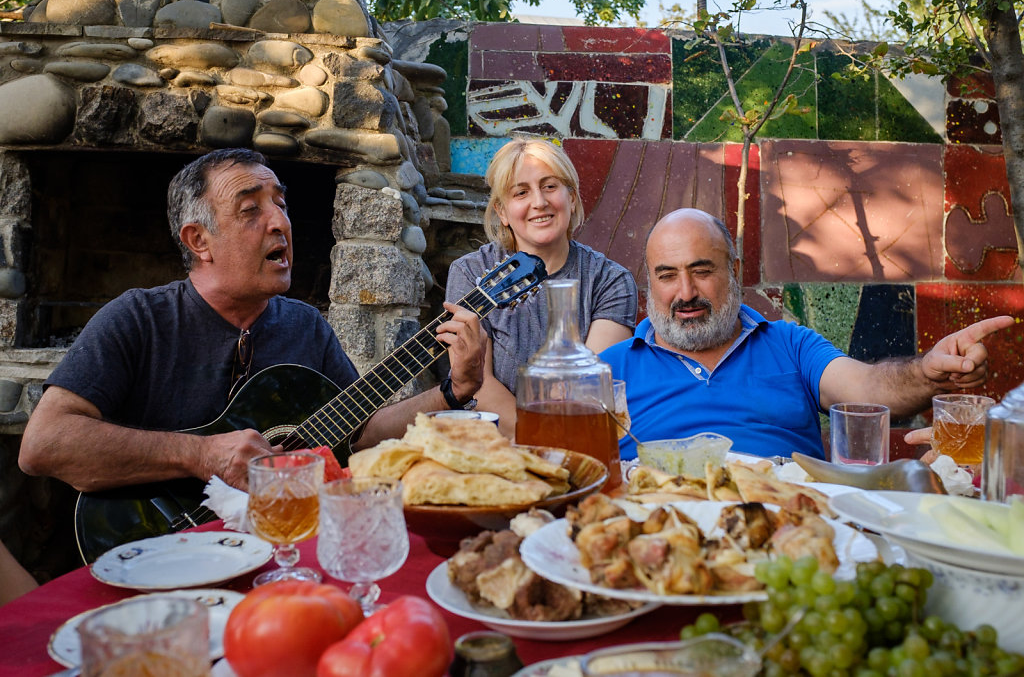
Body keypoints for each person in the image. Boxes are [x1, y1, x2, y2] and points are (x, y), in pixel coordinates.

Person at [18, 148, 484, 493]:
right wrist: (200, 454)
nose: (279, 222)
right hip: (163, 546)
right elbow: (43, 444)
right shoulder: (138, 319)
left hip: (275, 543)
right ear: (199, 240)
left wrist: (452, 391)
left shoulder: (306, 326)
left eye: (280, 204)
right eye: (250, 209)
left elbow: (360, 430)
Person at [600, 208, 1014, 461]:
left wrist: (929, 372)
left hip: (788, 521)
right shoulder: (610, 367)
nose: (686, 293)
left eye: (702, 271)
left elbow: (868, 388)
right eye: (667, 275)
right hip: (655, 522)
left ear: (735, 272)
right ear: (650, 284)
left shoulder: (790, 344)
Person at [445, 138, 638, 436]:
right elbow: (476, 385)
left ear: (571, 198)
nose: (539, 202)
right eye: (521, 192)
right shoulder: (469, 272)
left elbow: (588, 389)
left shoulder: (610, 281)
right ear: (503, 212)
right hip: (496, 447)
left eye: (550, 186)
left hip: (581, 439)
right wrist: (539, 446)